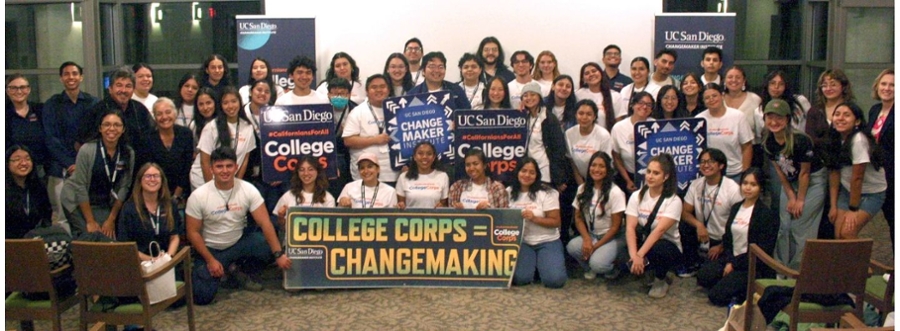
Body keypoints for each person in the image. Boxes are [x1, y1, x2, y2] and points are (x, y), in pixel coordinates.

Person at [186, 147, 291, 304]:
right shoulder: (198, 196)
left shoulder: (248, 189)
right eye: (219, 166)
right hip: (211, 249)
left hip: (238, 243)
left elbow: (265, 222)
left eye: (229, 166)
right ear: (211, 169)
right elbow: (192, 233)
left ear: (236, 167)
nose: (225, 171)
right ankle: (227, 269)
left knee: (264, 244)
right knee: (202, 297)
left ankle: (237, 269)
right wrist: (210, 260)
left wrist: (279, 254)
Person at [696, 167, 777, 306]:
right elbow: (728, 238)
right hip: (732, 257)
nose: (748, 188)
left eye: (753, 185)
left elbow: (763, 249)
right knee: (703, 276)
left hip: (751, 264)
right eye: (745, 183)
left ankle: (742, 291)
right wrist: (729, 260)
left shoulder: (765, 214)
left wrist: (734, 264)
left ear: (761, 188)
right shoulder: (736, 208)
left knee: (716, 296)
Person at [762, 99, 827, 270]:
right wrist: (791, 196)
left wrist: (800, 200)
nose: (774, 122)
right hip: (791, 181)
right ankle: (781, 267)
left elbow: (805, 173)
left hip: (812, 181)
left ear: (788, 119)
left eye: (779, 118)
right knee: (784, 225)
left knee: (800, 225)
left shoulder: (801, 140)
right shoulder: (769, 142)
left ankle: (799, 269)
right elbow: (780, 172)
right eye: (770, 117)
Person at [43, 61, 99, 233]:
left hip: (87, 168)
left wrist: (81, 164)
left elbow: (96, 135)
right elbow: (51, 139)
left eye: (75, 73)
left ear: (81, 77)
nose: (71, 77)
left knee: (88, 215)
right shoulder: (52, 104)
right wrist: (69, 164)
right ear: (61, 78)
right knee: (62, 215)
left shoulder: (93, 102)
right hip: (60, 168)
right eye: (66, 74)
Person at [62, 109, 135, 238]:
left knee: (109, 237)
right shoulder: (87, 150)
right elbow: (80, 187)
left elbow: (124, 187)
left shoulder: (128, 153)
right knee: (91, 235)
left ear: (123, 129)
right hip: (76, 200)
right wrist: (90, 221)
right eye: (106, 124)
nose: (111, 128)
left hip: (103, 203)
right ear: (100, 128)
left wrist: (111, 219)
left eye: (117, 125)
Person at [824, 102, 886, 239]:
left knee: (847, 233)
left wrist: (853, 209)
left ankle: (857, 260)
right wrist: (833, 205)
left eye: (846, 115)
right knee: (838, 233)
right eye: (837, 114)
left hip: (870, 193)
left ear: (857, 121)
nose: (840, 118)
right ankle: (843, 261)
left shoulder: (859, 140)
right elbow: (834, 173)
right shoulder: (834, 138)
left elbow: (857, 178)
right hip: (847, 191)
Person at [625, 153, 683, 298]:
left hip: (666, 245)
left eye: (656, 173)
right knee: (622, 259)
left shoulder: (674, 201)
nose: (650, 176)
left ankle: (661, 278)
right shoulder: (636, 196)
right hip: (644, 241)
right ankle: (646, 269)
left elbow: (659, 231)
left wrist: (639, 255)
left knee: (659, 249)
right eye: (649, 171)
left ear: (666, 176)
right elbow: (630, 227)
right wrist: (634, 257)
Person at [678, 149, 743, 278]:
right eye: (702, 161)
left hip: (724, 240)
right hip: (703, 235)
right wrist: (699, 225)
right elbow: (685, 212)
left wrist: (722, 246)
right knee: (683, 225)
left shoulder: (732, 189)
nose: (706, 165)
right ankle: (693, 263)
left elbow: (740, 224)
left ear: (721, 166)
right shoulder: (696, 185)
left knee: (705, 277)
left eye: (711, 161)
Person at [566, 152, 627, 280]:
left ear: (608, 170)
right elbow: (578, 218)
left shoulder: (615, 192)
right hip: (592, 235)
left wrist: (595, 247)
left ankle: (613, 267)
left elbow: (616, 227)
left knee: (598, 264)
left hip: (612, 237)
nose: (596, 169)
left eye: (601, 166)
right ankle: (591, 267)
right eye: (593, 165)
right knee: (571, 247)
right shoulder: (582, 188)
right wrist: (587, 239)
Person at [78, 67, 153, 170]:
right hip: (104, 169)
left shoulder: (140, 109)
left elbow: (150, 138)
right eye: (119, 85)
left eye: (128, 86)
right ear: (110, 89)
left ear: (133, 89)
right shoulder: (97, 110)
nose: (123, 90)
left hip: (137, 168)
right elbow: (82, 141)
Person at [508, 158, 566, 289]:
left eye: (531, 172)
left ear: (537, 175)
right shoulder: (508, 192)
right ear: (517, 172)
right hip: (522, 242)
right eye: (523, 171)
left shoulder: (548, 192)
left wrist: (534, 218)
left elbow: (556, 222)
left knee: (555, 281)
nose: (527, 175)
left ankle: (543, 266)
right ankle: (537, 267)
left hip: (547, 240)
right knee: (520, 279)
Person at [191, 87, 256, 190]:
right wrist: (212, 189)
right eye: (225, 103)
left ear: (240, 102)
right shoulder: (211, 127)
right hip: (203, 181)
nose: (230, 106)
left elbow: (245, 159)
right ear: (220, 106)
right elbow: (205, 162)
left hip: (227, 181)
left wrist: (236, 184)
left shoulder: (247, 127)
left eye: (234, 101)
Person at [117, 163, 182, 261]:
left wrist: (167, 258)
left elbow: (174, 237)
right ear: (140, 181)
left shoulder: (170, 205)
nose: (152, 179)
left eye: (156, 176)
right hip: (139, 264)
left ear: (162, 180)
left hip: (167, 262)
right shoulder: (129, 209)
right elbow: (125, 246)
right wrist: (152, 260)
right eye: (148, 176)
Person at [343, 74, 399, 184]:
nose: (378, 90)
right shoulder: (357, 112)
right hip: (365, 175)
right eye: (374, 87)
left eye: (382, 86)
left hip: (392, 173)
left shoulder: (398, 110)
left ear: (388, 90)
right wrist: (375, 140)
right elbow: (348, 140)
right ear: (367, 92)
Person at [697, 83, 753, 182]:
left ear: (722, 96)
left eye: (714, 96)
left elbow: (747, 147)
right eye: (707, 98)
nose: (711, 99)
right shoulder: (699, 120)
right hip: (710, 174)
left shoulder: (738, 116)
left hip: (735, 174)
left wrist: (745, 173)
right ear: (703, 101)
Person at [145, 98, 194, 204]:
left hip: (183, 194)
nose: (164, 117)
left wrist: (177, 193)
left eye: (168, 112)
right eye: (159, 114)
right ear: (154, 117)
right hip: (155, 193)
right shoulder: (147, 138)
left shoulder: (186, 134)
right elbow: (147, 168)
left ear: (175, 113)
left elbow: (187, 165)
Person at [866, 69, 894, 245]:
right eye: (884, 84)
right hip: (877, 175)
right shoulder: (875, 110)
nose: (887, 88)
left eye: (892, 85)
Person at [274, 155, 336, 229]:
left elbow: (330, 228)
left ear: (318, 171)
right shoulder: (288, 195)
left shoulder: (328, 198)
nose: (306, 173)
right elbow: (282, 228)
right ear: (297, 172)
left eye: (310, 169)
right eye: (302, 170)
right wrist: (281, 217)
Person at [611, 91, 655, 195]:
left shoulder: (655, 125)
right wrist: (627, 180)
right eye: (641, 103)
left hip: (653, 177)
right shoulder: (619, 128)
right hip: (629, 176)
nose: (644, 107)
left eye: (648, 105)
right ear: (632, 105)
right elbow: (616, 157)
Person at [6, 74, 48, 179]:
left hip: (40, 168)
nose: (19, 91)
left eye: (22, 87)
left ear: (28, 90)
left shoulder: (40, 110)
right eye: (13, 88)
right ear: (7, 91)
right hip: (11, 170)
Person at [6, 145, 52, 239]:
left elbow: (46, 216)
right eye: (17, 159)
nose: (23, 163)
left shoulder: (38, 187)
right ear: (7, 163)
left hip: (34, 241)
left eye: (27, 159)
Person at [566, 99, 612, 186]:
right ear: (575, 115)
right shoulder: (569, 134)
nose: (584, 117)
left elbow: (605, 164)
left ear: (594, 116)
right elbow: (571, 160)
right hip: (579, 179)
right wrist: (580, 182)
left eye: (589, 114)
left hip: (600, 179)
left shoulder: (603, 135)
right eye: (581, 113)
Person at [326, 77, 358, 199]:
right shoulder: (319, 111)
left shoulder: (357, 109)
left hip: (350, 155)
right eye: (335, 93)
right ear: (328, 94)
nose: (338, 97)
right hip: (329, 156)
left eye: (342, 93)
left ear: (349, 94)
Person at [407, 51, 472, 111]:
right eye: (432, 66)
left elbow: (467, 115)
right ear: (423, 71)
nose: (437, 70)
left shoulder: (456, 90)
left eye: (441, 67)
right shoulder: (413, 94)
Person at [723, 66, 763, 160]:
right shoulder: (718, 99)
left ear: (744, 81)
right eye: (730, 77)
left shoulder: (755, 99)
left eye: (738, 77)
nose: (734, 80)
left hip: (751, 152)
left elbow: (760, 130)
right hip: (723, 153)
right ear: (724, 80)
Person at [806, 69, 854, 146]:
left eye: (833, 85)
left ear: (843, 86)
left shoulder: (852, 109)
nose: (828, 88)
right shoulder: (814, 111)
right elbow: (809, 139)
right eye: (824, 85)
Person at [396, 141, 449, 209]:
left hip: (434, 218)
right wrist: (400, 206)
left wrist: (441, 206)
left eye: (429, 154)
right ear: (414, 157)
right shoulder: (403, 177)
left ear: (433, 157)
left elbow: (444, 204)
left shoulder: (443, 176)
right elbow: (401, 205)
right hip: (410, 219)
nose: (424, 157)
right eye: (420, 153)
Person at [575, 62, 625, 131]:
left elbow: (619, 123)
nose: (591, 74)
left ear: (601, 73)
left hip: (607, 138)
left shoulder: (615, 96)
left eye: (594, 71)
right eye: (587, 73)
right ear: (583, 79)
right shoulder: (578, 94)